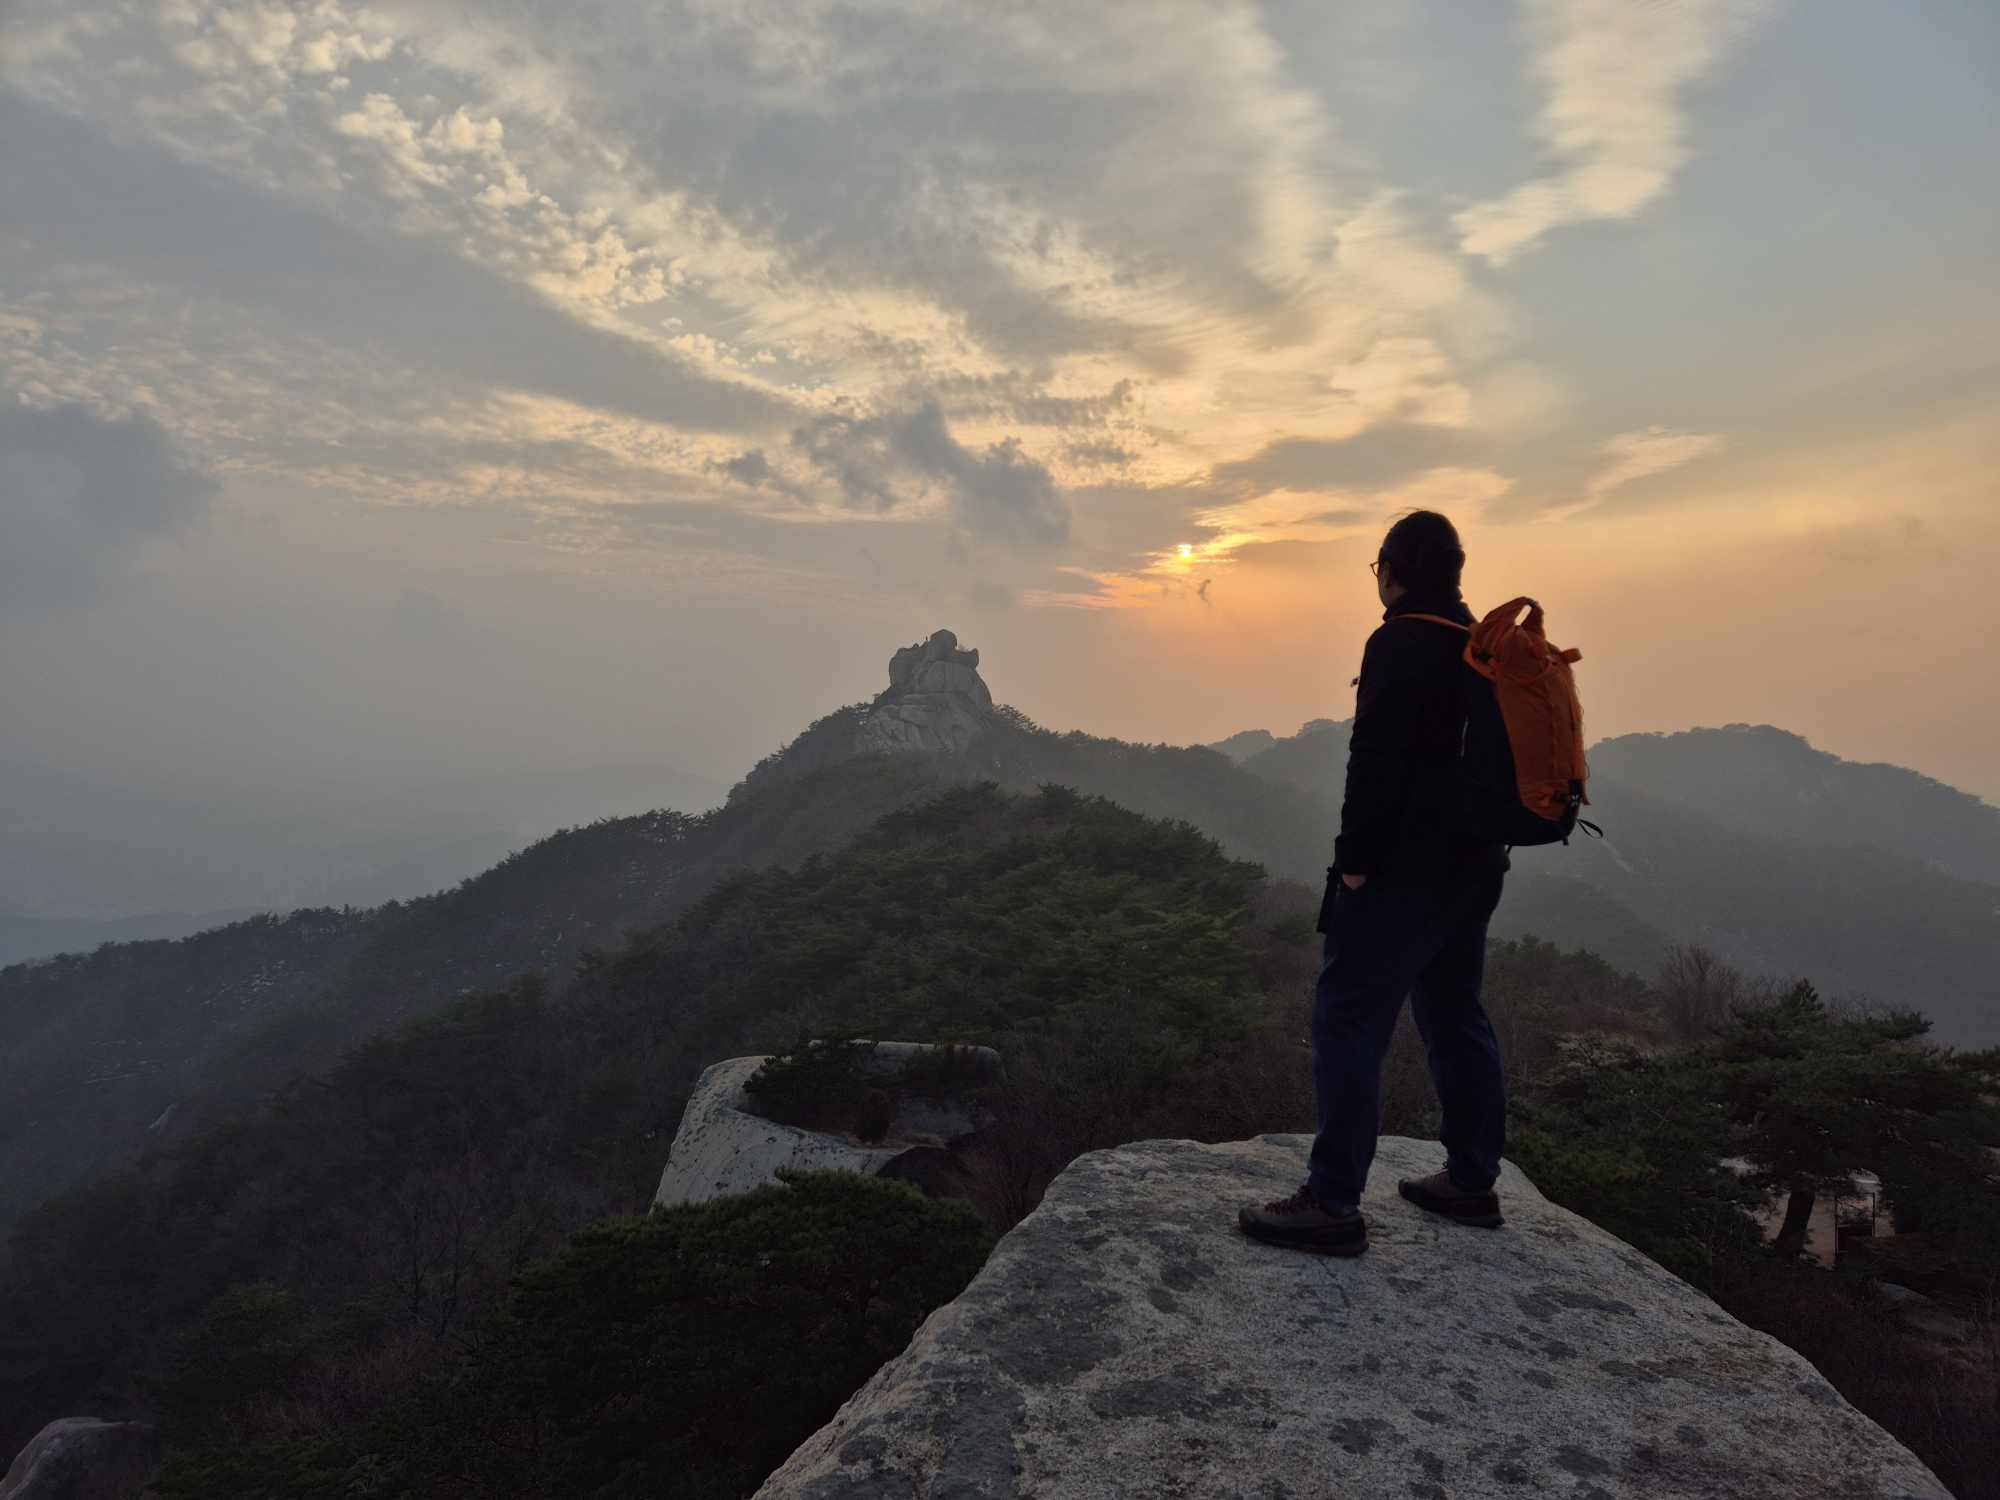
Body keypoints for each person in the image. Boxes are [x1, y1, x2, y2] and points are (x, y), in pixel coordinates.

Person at [1239, 510, 1510, 1256]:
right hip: (1476, 866)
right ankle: (1472, 1180)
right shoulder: (1481, 645)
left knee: (1347, 1018)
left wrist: (1354, 858)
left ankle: (1331, 1201)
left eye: (1377, 567)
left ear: (1392, 570)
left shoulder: (1400, 640)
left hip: (1400, 870)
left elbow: (1374, 761)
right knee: (1455, 1011)